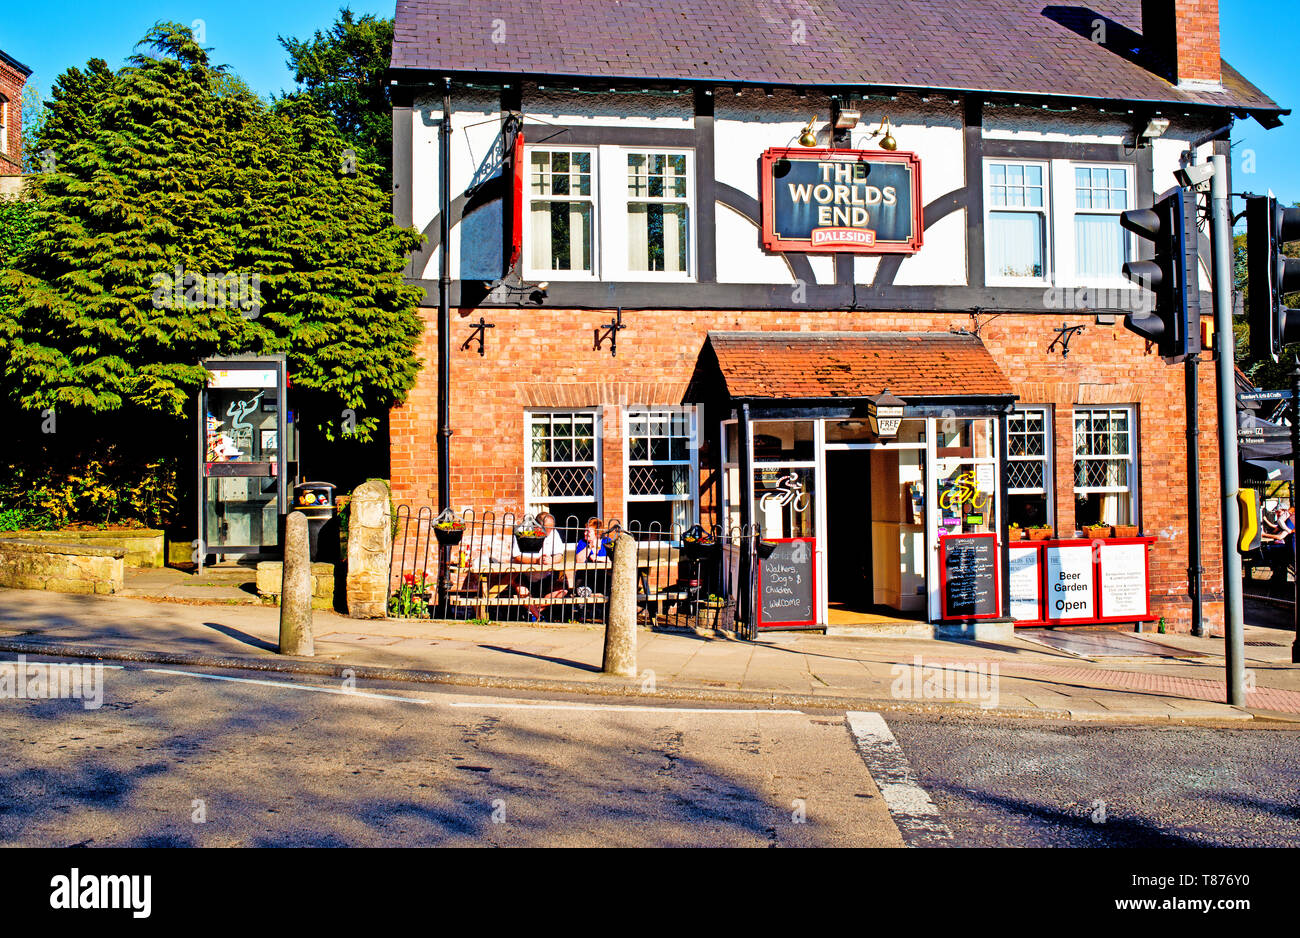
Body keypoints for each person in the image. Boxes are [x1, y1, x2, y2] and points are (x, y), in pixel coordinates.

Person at [513, 512, 568, 620]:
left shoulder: (553, 532)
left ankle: (534, 611)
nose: (550, 532)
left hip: (546, 577)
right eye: (547, 529)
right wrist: (536, 560)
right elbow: (517, 556)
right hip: (525, 576)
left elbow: (559, 555)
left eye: (552, 528)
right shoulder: (523, 531)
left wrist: (551, 560)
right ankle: (538, 617)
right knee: (521, 590)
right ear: (537, 525)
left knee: (563, 590)